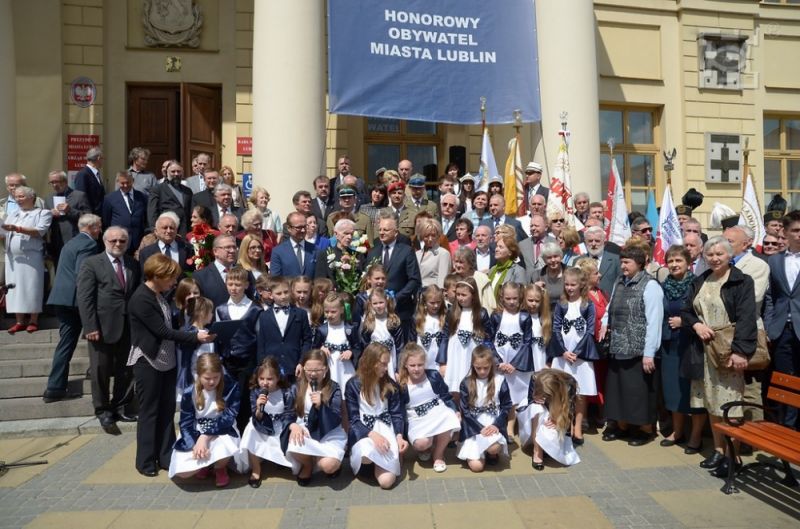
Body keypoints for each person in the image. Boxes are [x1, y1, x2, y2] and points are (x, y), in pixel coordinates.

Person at [127, 253, 214, 476]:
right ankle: (145, 461)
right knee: (149, 412)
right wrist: (195, 337)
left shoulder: (158, 295)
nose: (174, 283)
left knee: (166, 411)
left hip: (165, 361)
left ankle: (165, 456)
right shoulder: (141, 298)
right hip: (148, 361)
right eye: (170, 278)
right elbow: (162, 331)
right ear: (157, 275)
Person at [683, 237, 757, 477]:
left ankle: (732, 455)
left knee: (730, 403)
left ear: (729, 255)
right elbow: (685, 311)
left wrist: (740, 351)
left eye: (719, 254)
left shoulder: (741, 281)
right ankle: (717, 449)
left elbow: (747, 318)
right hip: (703, 351)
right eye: (710, 254)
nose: (714, 258)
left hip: (728, 350)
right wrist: (696, 326)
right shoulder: (700, 280)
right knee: (711, 402)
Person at [77, 226, 142, 431]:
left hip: (128, 327)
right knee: (100, 370)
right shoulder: (92, 263)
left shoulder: (133, 264)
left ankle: (121, 406)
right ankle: (103, 410)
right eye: (113, 240)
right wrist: (90, 326)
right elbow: (85, 297)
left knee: (126, 370)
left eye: (122, 241)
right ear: (105, 241)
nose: (117, 244)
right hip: (101, 328)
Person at [602, 244, 664, 446]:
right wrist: (604, 323)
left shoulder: (651, 286)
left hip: (637, 350)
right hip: (618, 346)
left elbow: (654, 321)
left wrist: (649, 353)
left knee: (637, 393)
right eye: (621, 262)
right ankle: (621, 426)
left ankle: (644, 430)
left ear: (639, 263)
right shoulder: (619, 281)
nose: (623, 266)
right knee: (619, 391)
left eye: (627, 262)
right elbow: (611, 305)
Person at [42, 214, 102, 402]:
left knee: (66, 343)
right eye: (99, 227)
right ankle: (96, 373)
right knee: (96, 334)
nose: (100, 231)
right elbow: (83, 273)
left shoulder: (70, 243)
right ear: (91, 228)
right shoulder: (89, 244)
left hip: (61, 299)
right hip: (76, 300)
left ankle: (54, 387)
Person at [656, 246, 706, 452]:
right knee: (673, 390)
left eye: (679, 261)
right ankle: (677, 431)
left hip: (690, 345)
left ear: (688, 263)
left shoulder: (697, 284)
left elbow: (703, 314)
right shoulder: (663, 286)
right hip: (669, 345)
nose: (675, 265)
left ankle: (695, 436)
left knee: (693, 391)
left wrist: (683, 321)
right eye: (671, 261)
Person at [169, 353, 240, 487]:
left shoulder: (230, 386)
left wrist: (205, 437)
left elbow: (229, 417)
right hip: (196, 430)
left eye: (216, 377)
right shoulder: (190, 391)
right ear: (199, 375)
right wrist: (194, 443)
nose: (212, 382)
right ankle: (205, 464)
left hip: (222, 430)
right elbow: (185, 422)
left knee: (224, 448)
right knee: (183, 473)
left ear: (221, 374)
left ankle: (220, 467)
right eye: (207, 378)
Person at [345, 343, 408, 489]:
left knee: (386, 482)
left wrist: (399, 435)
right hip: (365, 431)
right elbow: (353, 420)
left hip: (386, 428)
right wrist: (372, 435)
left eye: (387, 364)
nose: (387, 368)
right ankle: (369, 466)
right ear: (371, 362)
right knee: (366, 455)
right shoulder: (353, 385)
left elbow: (397, 413)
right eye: (383, 364)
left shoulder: (389, 384)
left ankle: (390, 460)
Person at [548, 267, 599, 445]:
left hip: (581, 355)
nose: (570, 288)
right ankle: (563, 423)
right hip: (563, 355)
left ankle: (578, 427)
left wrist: (576, 352)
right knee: (561, 391)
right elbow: (555, 329)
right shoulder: (561, 305)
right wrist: (563, 351)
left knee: (580, 393)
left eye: (573, 285)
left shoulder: (587, 305)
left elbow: (590, 330)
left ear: (581, 285)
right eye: (567, 284)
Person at [285, 350, 346, 484]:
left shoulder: (333, 387)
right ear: (303, 369)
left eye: (317, 370)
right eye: (309, 370)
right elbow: (287, 414)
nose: (312, 374)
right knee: (293, 442)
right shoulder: (296, 388)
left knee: (328, 465)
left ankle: (329, 462)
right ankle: (308, 465)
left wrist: (321, 406)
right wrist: (293, 425)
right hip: (305, 429)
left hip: (328, 432)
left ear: (325, 370)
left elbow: (337, 417)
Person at [398, 343, 460, 473]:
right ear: (405, 365)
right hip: (416, 417)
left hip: (438, 410)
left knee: (449, 420)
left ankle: (438, 454)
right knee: (421, 443)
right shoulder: (402, 384)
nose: (416, 369)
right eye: (412, 365)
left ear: (425, 363)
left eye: (420, 365)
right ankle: (427, 447)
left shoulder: (433, 376)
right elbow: (399, 410)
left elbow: (446, 396)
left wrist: (455, 410)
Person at [764, 210, 800, 429]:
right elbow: (770, 297)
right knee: (785, 382)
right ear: (785, 233)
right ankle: (787, 430)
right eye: (795, 230)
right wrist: (769, 326)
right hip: (781, 331)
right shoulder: (774, 261)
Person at [1, 186, 53, 333]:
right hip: (12, 257)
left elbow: (39, 231)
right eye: (16, 197)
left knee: (31, 287)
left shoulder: (43, 213)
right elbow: (4, 232)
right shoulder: (13, 214)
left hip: (31, 256)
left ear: (32, 197)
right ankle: (19, 321)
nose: (18, 199)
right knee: (15, 289)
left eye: (22, 196)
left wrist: (17, 229)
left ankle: (33, 320)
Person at [240, 356, 296, 488]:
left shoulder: (286, 392)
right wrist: (259, 407)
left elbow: (289, 413)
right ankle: (256, 469)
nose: (265, 383)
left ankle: (281, 460)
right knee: (250, 430)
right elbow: (256, 416)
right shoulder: (255, 392)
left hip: (280, 426)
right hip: (262, 425)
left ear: (278, 378)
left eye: (270, 379)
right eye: (261, 379)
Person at [457, 346, 513, 472]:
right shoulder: (466, 383)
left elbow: (506, 405)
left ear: (492, 365)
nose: (482, 371)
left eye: (486, 368)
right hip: (474, 425)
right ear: (473, 365)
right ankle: (477, 453)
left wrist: (496, 425)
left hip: (492, 423)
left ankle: (491, 453)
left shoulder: (500, 380)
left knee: (494, 448)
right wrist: (479, 428)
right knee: (477, 468)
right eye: (478, 368)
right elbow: (465, 410)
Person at [366, 212, 422, 337]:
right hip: (376, 313)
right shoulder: (372, 252)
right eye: (380, 229)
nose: (381, 232)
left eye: (386, 230)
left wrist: (395, 298)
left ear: (396, 232)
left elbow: (414, 280)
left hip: (400, 311)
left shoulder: (406, 251)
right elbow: (367, 279)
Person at [491, 282, 533, 439]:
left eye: (515, 298)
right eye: (508, 298)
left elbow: (527, 342)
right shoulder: (496, 316)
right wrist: (498, 361)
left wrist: (514, 364)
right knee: (499, 393)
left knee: (515, 395)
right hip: (500, 362)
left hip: (516, 364)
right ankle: (497, 424)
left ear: (520, 297)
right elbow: (489, 339)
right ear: (502, 297)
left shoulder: (524, 317)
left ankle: (510, 428)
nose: (511, 301)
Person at [438, 277, 491, 399]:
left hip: (472, 354)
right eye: (458, 294)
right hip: (455, 355)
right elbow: (445, 336)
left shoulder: (481, 313)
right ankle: (457, 412)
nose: (460, 298)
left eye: (464, 295)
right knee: (455, 386)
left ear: (473, 295)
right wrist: (443, 362)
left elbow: (488, 337)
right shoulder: (452, 312)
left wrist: (486, 358)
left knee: (472, 385)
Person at [516, 368, 580, 470]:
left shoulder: (569, 384)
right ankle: (537, 451)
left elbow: (570, 410)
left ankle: (549, 447)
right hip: (535, 413)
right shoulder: (535, 377)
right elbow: (530, 400)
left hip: (558, 412)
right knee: (536, 409)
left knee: (552, 431)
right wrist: (536, 400)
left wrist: (558, 421)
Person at [312, 293, 360, 391]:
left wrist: (350, 352)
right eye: (327, 312)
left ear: (342, 310)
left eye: (333, 312)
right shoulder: (322, 330)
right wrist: (321, 349)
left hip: (345, 369)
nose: (329, 315)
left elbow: (357, 347)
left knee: (346, 392)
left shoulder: (349, 328)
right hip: (329, 367)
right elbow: (314, 348)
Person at [193, 234, 255, 308]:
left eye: (234, 247)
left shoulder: (245, 272)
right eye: (228, 247)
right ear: (215, 251)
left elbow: (250, 298)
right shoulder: (201, 276)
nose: (232, 251)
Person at [44, 170, 90, 266]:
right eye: (52, 182)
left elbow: (88, 218)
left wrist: (70, 210)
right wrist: (49, 214)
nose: (54, 185)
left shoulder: (79, 196)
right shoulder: (48, 198)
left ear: (65, 181)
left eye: (57, 181)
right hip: (56, 243)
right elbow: (44, 221)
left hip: (74, 240)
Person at [360, 288, 405, 379]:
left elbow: (400, 346)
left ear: (386, 302)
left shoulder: (393, 321)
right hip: (374, 361)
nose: (378, 306)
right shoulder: (368, 323)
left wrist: (399, 369)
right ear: (370, 304)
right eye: (375, 303)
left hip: (390, 361)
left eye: (381, 302)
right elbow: (364, 345)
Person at [175, 296, 214, 400]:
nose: (212, 315)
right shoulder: (189, 333)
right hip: (192, 379)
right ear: (202, 313)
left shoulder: (208, 331)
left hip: (207, 379)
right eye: (211, 312)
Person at [138, 212, 194, 281]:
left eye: (172, 228)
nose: (168, 231)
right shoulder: (146, 253)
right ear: (156, 231)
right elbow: (145, 278)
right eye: (165, 228)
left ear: (176, 230)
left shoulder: (187, 248)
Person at [102, 171, 148, 252]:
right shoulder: (109, 198)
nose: (126, 185)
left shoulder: (142, 197)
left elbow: (145, 218)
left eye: (128, 182)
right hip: (119, 242)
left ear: (133, 181)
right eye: (122, 183)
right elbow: (106, 220)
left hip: (138, 241)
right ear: (117, 182)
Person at [147, 162, 193, 235]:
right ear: (166, 173)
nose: (176, 174)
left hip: (185, 230)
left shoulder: (187, 191)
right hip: (167, 230)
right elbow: (152, 211)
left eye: (178, 171)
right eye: (173, 171)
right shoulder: (158, 189)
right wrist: (154, 229)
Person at [270, 211, 317, 278]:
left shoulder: (315, 250)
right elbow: (275, 279)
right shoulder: (278, 252)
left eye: (304, 226)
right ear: (289, 228)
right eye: (299, 227)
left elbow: (319, 278)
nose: (303, 230)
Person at [413, 285, 448, 370]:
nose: (436, 306)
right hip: (423, 359)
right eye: (432, 303)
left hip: (440, 361)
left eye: (438, 302)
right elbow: (412, 342)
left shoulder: (445, 317)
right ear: (425, 302)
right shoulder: (417, 318)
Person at [415, 218, 451, 288]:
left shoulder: (443, 254)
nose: (430, 239)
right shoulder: (417, 254)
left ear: (438, 235)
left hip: (433, 295)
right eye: (427, 236)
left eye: (433, 235)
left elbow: (442, 281)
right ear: (422, 236)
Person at [523, 283, 552, 372]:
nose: (534, 304)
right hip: (525, 360)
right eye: (530, 300)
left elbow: (551, 344)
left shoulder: (545, 319)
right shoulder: (521, 318)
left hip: (541, 359)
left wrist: (549, 362)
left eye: (537, 301)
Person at [532, 242, 566, 310]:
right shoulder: (537, 275)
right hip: (545, 314)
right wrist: (535, 290)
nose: (553, 260)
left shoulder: (570, 272)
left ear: (561, 256)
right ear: (544, 260)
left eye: (555, 256)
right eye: (549, 257)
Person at [73, 146, 106, 215]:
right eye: (103, 158)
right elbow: (81, 198)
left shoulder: (96, 173)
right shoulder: (83, 174)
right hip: (90, 217)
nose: (103, 161)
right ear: (98, 158)